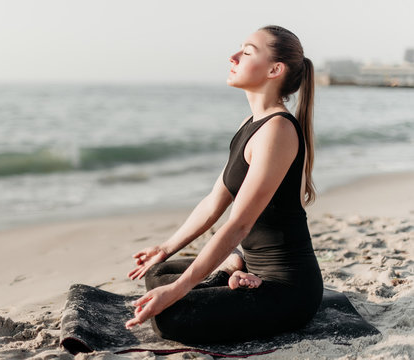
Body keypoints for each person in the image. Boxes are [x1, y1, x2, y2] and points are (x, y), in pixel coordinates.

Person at [124, 25, 323, 344]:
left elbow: (239, 224)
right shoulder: (252, 124)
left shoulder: (278, 131)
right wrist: (164, 248)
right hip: (253, 267)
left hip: (287, 290)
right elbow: (214, 201)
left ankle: (234, 270)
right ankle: (235, 268)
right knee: (157, 271)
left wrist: (179, 289)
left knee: (171, 318)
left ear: (275, 69)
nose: (232, 57)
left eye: (246, 52)